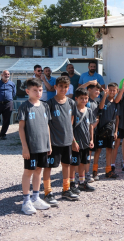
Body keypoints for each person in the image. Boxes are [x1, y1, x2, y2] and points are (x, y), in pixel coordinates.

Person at [18, 78, 52, 214]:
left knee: (39, 171)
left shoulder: (45, 106)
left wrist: (49, 143)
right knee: (28, 172)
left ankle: (36, 197)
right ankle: (26, 201)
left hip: (43, 146)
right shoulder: (24, 107)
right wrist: (25, 147)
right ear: (28, 91)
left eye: (40, 90)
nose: (38, 93)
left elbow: (47, 126)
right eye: (35, 90)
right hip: (31, 147)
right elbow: (21, 128)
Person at [44, 76, 79, 204]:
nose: (63, 89)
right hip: (54, 142)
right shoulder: (49, 104)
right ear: (55, 87)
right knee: (49, 166)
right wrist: (48, 143)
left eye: (66, 86)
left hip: (67, 141)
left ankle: (66, 190)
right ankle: (47, 192)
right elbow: (46, 124)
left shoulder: (72, 103)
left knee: (66, 165)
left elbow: (71, 123)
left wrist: (73, 140)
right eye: (61, 86)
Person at [97, 82, 124, 179]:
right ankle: (94, 171)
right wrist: (104, 96)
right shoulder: (103, 100)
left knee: (109, 149)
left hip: (111, 130)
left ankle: (108, 170)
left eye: (114, 90)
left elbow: (117, 118)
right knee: (98, 150)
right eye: (110, 90)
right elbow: (101, 107)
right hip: (101, 130)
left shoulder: (116, 103)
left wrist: (115, 131)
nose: (112, 92)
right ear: (107, 90)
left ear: (117, 91)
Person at [70, 88, 97, 193]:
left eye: (86, 98)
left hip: (86, 142)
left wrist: (91, 139)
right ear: (76, 98)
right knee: (73, 164)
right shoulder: (73, 111)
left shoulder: (89, 111)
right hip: (76, 143)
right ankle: (72, 184)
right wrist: (73, 141)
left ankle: (82, 183)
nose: (84, 100)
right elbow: (70, 127)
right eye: (81, 98)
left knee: (83, 163)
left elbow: (91, 126)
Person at [86, 84, 101, 181]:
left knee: (92, 152)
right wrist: (91, 127)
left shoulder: (96, 102)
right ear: (89, 90)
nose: (98, 92)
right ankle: (85, 174)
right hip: (86, 131)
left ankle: (92, 172)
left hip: (93, 131)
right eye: (96, 90)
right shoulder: (86, 101)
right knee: (87, 153)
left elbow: (96, 118)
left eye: (99, 90)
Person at [0, 70, 16, 140]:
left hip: (8, 104)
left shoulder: (12, 84)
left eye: (8, 74)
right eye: (5, 74)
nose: (7, 75)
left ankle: (3, 134)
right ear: (2, 75)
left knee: (6, 120)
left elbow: (14, 93)